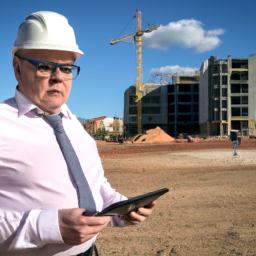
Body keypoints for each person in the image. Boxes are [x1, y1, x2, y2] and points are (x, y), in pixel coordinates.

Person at [0, 11, 156, 256]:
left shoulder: (76, 127)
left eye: (67, 68)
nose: (58, 77)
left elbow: (96, 186)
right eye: (45, 67)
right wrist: (49, 227)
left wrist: (121, 210)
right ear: (17, 68)